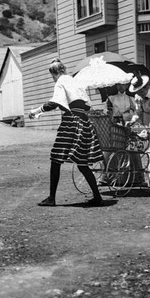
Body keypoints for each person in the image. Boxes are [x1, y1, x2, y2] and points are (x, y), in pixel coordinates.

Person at [29, 59, 105, 207]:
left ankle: (52, 198)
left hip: (72, 122)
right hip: (84, 122)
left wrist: (37, 111)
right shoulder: (74, 81)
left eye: (52, 76)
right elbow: (87, 106)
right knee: (82, 163)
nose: (53, 79)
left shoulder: (61, 82)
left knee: (56, 158)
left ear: (55, 73)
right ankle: (97, 197)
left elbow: (55, 102)